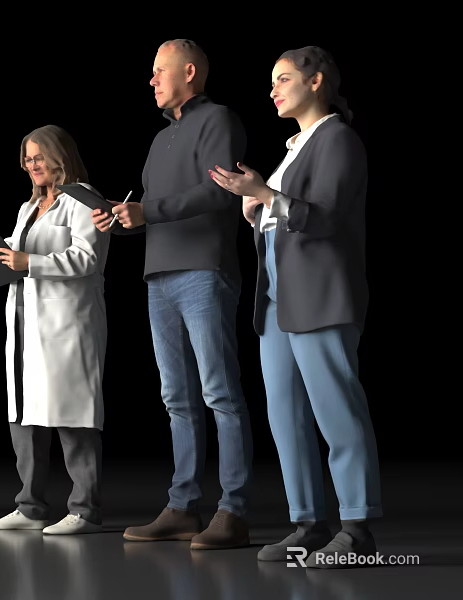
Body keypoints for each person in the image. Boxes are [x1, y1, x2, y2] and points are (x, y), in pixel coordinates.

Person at [209, 46, 381, 568]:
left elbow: (324, 219)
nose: (273, 89)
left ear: (317, 81)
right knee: (285, 415)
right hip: (278, 300)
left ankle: (357, 526)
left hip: (320, 296)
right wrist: (257, 206)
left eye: (284, 79)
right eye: (272, 81)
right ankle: (307, 522)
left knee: (336, 410)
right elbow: (286, 219)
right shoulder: (293, 148)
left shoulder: (338, 140)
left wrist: (264, 192)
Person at [91, 39, 253, 550]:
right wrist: (118, 219)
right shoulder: (160, 140)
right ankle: (183, 506)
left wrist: (148, 212)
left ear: (189, 71)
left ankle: (233, 510)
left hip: (204, 271)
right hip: (158, 277)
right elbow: (151, 211)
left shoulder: (218, 119)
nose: (152, 80)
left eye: (160, 71)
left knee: (219, 393)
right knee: (176, 398)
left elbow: (220, 189)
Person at [0, 125, 110, 535]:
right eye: (27, 158)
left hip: (66, 323)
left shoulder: (83, 198)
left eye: (39, 157)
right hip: (24, 321)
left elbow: (87, 258)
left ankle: (85, 509)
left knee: (72, 412)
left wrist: (29, 263)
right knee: (25, 413)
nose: (31, 165)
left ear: (59, 156)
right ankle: (30, 505)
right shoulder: (28, 207)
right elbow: (17, 254)